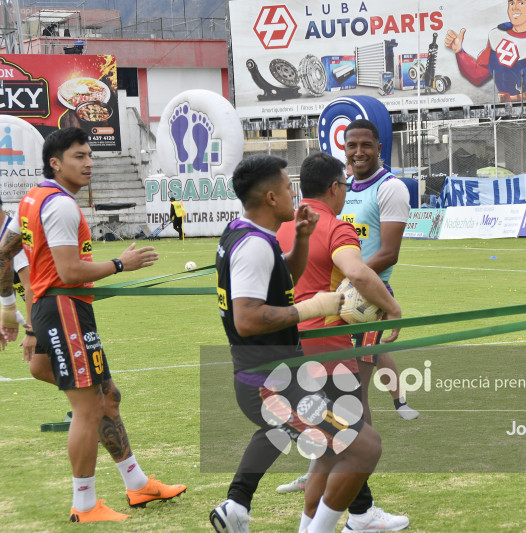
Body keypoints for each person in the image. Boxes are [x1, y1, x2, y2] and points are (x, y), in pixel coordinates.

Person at [0, 127, 185, 523]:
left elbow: (9, 254)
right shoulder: (61, 205)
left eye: (90, 156)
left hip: (57, 311)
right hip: (66, 309)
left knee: (108, 396)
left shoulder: (30, 198)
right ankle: (84, 505)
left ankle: (136, 483)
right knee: (89, 408)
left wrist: (19, 317)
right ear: (56, 162)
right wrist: (121, 264)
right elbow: (67, 271)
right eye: (79, 157)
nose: (89, 164)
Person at [210, 153, 382, 533]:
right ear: (271, 197)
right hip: (269, 385)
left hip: (275, 378)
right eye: (288, 187)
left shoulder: (245, 233)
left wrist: (302, 238)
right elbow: (247, 317)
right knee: (365, 447)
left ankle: (238, 504)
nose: (295, 193)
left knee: (333, 447)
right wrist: (312, 308)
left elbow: (283, 276)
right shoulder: (254, 246)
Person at [275, 151, 407, 533]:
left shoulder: (286, 226)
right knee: (361, 445)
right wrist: (393, 308)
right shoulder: (335, 226)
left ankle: (312, 528)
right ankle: (344, 524)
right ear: (334, 187)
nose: (346, 191)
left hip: (287, 345)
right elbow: (358, 273)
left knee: (327, 452)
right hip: (327, 350)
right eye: (344, 185)